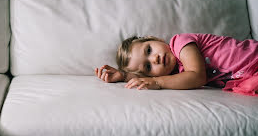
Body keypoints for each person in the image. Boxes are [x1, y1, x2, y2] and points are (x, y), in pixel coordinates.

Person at [94, 33, 258, 96]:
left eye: (149, 50)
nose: (154, 59)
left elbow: (197, 76)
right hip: (249, 76)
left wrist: (157, 82)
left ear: (156, 39)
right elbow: (181, 78)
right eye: (148, 67)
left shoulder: (180, 42)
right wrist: (123, 76)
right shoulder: (176, 75)